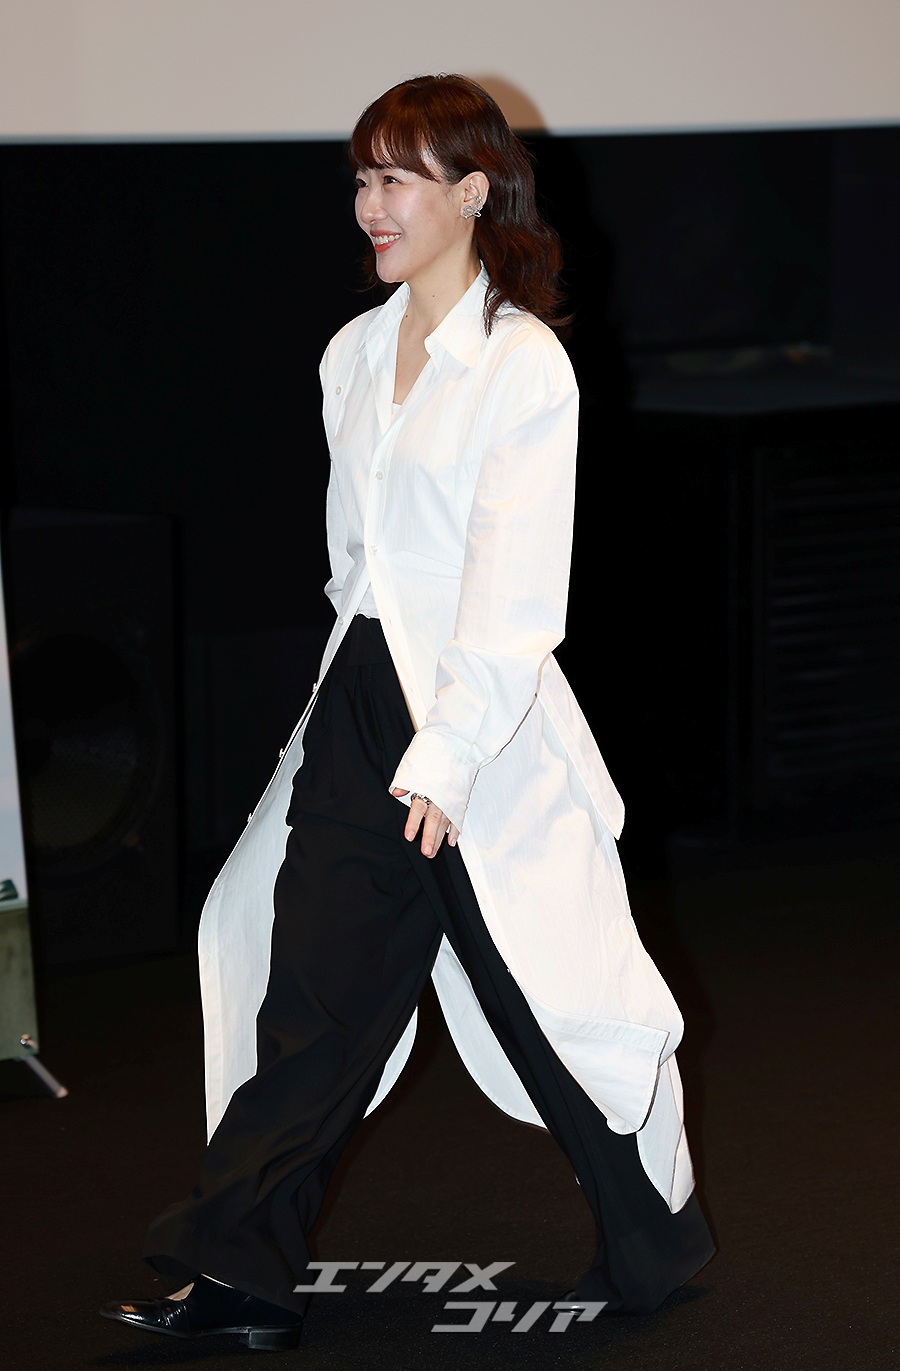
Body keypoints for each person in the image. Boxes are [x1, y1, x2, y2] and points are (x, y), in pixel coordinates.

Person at [100, 74, 714, 1353]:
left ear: (473, 191)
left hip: (478, 727)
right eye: (362, 180)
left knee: (544, 999)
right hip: (363, 705)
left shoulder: (525, 364)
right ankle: (239, 1275)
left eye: (396, 179)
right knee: (309, 1001)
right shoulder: (351, 354)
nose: (370, 206)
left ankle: (653, 1241)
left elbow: (514, 587)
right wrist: (359, 713)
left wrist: (449, 752)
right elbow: (359, 567)